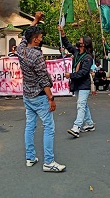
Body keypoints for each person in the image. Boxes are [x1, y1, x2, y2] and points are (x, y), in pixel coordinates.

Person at [17, 12, 66, 172]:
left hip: (27, 95)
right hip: (39, 96)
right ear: (35, 39)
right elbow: (44, 79)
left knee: (30, 125)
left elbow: (25, 36)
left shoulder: (21, 49)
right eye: (40, 36)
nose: (41, 37)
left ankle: (30, 158)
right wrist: (51, 98)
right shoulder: (37, 55)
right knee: (49, 127)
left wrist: (35, 21)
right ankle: (49, 162)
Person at [58, 25, 95, 138]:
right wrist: (63, 33)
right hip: (77, 84)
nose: (78, 42)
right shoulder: (77, 52)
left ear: (85, 44)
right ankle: (89, 124)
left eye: (80, 41)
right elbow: (68, 45)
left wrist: (71, 75)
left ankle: (76, 127)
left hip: (84, 85)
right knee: (83, 104)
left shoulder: (88, 57)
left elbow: (84, 72)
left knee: (80, 105)